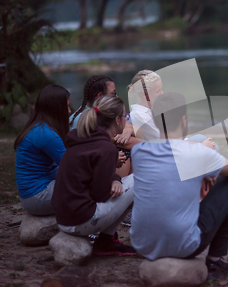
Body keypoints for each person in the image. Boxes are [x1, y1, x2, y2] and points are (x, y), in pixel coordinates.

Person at [131, 92, 228, 278]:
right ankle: (215, 262)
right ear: (184, 120)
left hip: (143, 245)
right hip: (183, 247)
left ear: (156, 122)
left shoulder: (139, 151)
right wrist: (206, 172)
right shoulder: (197, 152)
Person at [52, 96, 136, 256]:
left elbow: (89, 176)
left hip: (64, 219)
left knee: (127, 183)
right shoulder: (106, 148)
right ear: (117, 120)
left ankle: (106, 241)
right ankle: (106, 240)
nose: (126, 120)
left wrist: (115, 178)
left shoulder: (83, 139)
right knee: (140, 180)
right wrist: (114, 179)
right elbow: (100, 194)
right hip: (79, 221)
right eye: (125, 116)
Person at [14, 84, 71, 216]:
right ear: (56, 108)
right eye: (66, 106)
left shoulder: (40, 127)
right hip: (37, 197)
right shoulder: (46, 134)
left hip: (33, 194)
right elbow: (71, 167)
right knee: (88, 187)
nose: (69, 111)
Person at [71, 75, 137, 177]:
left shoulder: (97, 113)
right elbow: (138, 142)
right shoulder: (88, 119)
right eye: (113, 93)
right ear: (100, 96)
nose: (117, 97)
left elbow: (134, 129)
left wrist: (128, 130)